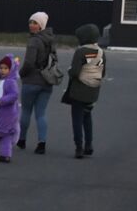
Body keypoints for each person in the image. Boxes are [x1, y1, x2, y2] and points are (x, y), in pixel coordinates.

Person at [62, 24, 106, 159]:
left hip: (79, 90)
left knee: (77, 119)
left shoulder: (81, 52)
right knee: (87, 117)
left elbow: (74, 72)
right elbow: (102, 72)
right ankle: (89, 145)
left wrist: (69, 71)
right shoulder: (100, 52)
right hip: (93, 90)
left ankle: (79, 147)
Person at [16, 11, 56, 154]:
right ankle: (42, 143)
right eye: (30, 22)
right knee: (41, 113)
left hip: (32, 81)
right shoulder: (51, 40)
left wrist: (21, 74)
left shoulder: (34, 41)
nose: (31, 25)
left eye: (35, 23)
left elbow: (28, 63)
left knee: (26, 111)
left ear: (41, 26)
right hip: (47, 82)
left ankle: (21, 140)